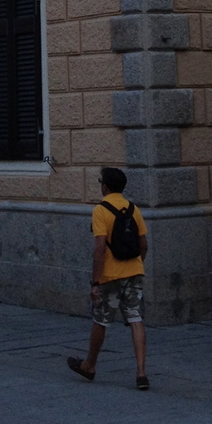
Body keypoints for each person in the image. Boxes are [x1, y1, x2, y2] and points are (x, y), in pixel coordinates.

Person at [67, 166, 150, 390]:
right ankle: (141, 373)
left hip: (110, 275)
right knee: (135, 318)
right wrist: (136, 264)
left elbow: (100, 249)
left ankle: (90, 365)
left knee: (101, 319)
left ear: (105, 186)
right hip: (134, 271)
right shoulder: (134, 209)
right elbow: (144, 245)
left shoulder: (100, 210)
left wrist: (95, 282)